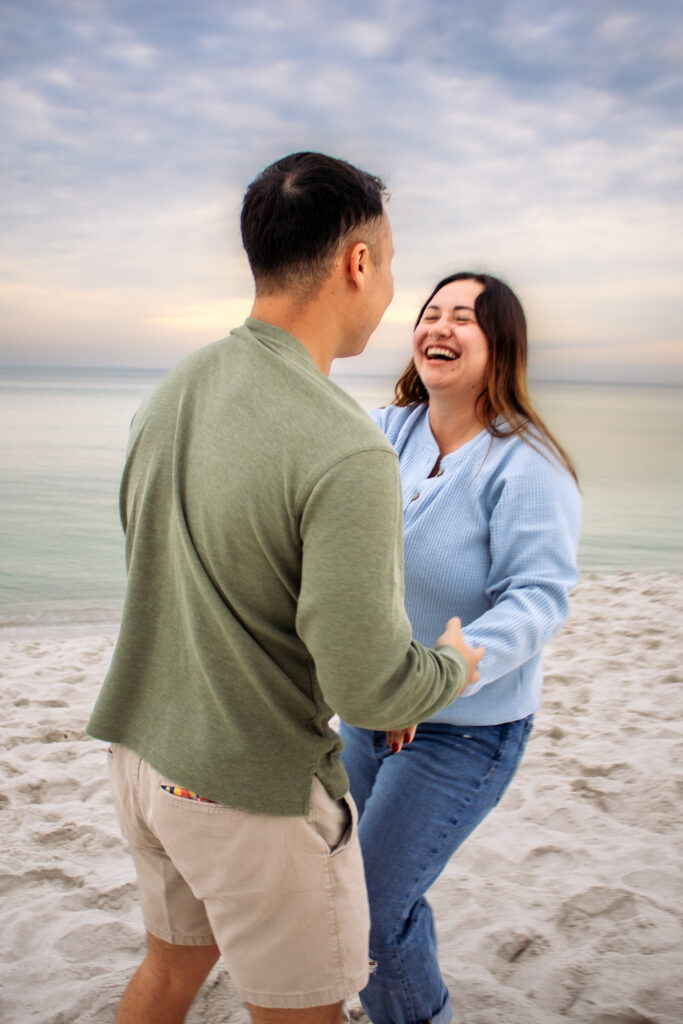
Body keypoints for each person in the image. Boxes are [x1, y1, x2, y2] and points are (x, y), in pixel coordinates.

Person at [86, 156, 483, 1024]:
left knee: (167, 973)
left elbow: (178, 573)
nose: (391, 293)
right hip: (249, 791)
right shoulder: (346, 447)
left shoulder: (172, 391)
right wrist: (447, 665)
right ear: (356, 263)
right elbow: (367, 686)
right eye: (391, 262)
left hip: (144, 759)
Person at [339, 272, 581, 1024]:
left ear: (500, 344)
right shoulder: (387, 432)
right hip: (373, 710)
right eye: (429, 314)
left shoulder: (526, 465)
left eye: (464, 319)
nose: (440, 328)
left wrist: (441, 678)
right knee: (356, 897)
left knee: (373, 916)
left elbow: (538, 598)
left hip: (465, 730)